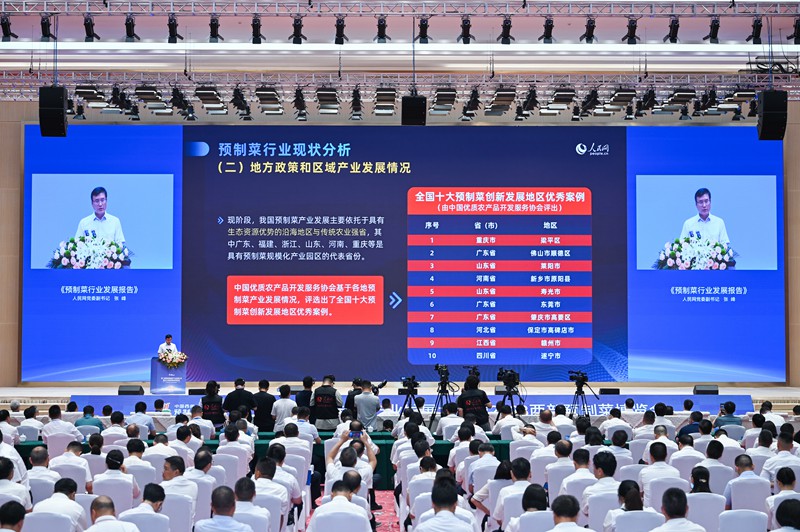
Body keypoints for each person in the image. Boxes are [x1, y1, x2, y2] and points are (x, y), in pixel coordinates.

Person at [639, 442, 680, 508]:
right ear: (666, 455)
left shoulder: (644, 472)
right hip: (671, 509)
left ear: (651, 456)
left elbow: (640, 493)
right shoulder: (676, 472)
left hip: (649, 510)